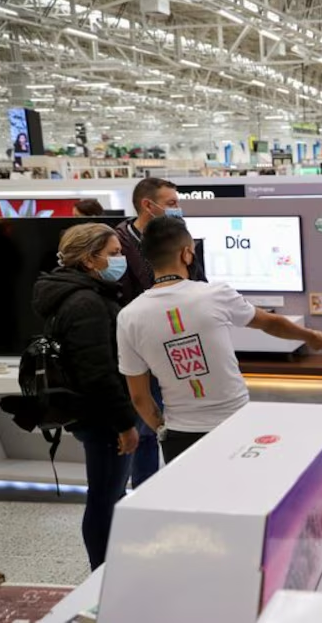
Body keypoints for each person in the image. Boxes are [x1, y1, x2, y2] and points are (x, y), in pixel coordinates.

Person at [117, 217, 322, 463]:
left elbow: (139, 397)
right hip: (235, 422)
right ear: (186, 254)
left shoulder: (128, 317)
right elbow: (270, 323)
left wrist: (162, 429)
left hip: (179, 434)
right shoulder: (215, 294)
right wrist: (310, 336)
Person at [32, 224, 139, 570]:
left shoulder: (78, 293)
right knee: (105, 499)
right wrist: (125, 424)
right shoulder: (86, 302)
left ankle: (111, 570)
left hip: (93, 414)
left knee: (109, 495)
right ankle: (102, 577)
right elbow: (98, 372)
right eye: (114, 253)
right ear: (90, 259)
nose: (120, 259)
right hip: (102, 418)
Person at [115, 178, 203, 486]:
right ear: (147, 205)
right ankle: (146, 491)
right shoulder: (119, 245)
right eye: (171, 203)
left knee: (183, 423)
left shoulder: (179, 235)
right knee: (146, 432)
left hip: (181, 345)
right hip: (143, 349)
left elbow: (198, 281)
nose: (177, 209)